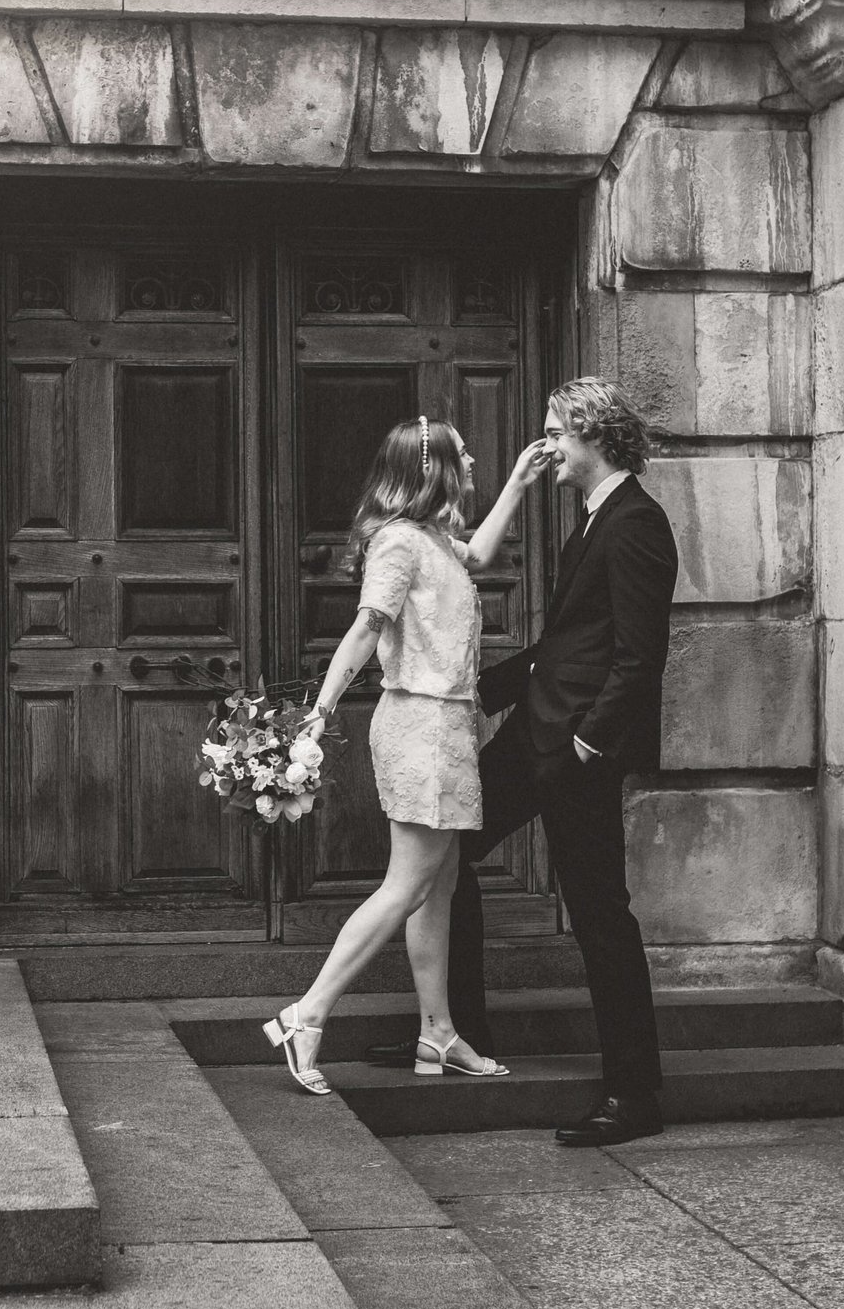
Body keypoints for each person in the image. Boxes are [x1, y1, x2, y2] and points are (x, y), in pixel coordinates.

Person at [378, 378, 678, 1148]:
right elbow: (569, 646)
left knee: (600, 914)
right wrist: (481, 690)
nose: (546, 445)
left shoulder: (637, 522)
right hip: (531, 735)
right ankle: (453, 1030)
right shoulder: (592, 519)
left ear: (592, 435)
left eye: (555, 432)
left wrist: (589, 741)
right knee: (451, 856)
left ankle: (633, 1091)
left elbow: (637, 660)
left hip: (575, 749)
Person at [261, 413, 557, 1095]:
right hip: (420, 727)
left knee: (439, 886)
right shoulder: (398, 542)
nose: (475, 461)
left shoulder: (436, 539)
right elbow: (367, 626)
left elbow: (478, 554)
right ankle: (306, 1014)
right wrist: (320, 710)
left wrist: (517, 480)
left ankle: (439, 1031)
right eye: (465, 454)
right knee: (407, 884)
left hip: (448, 728)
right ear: (435, 469)